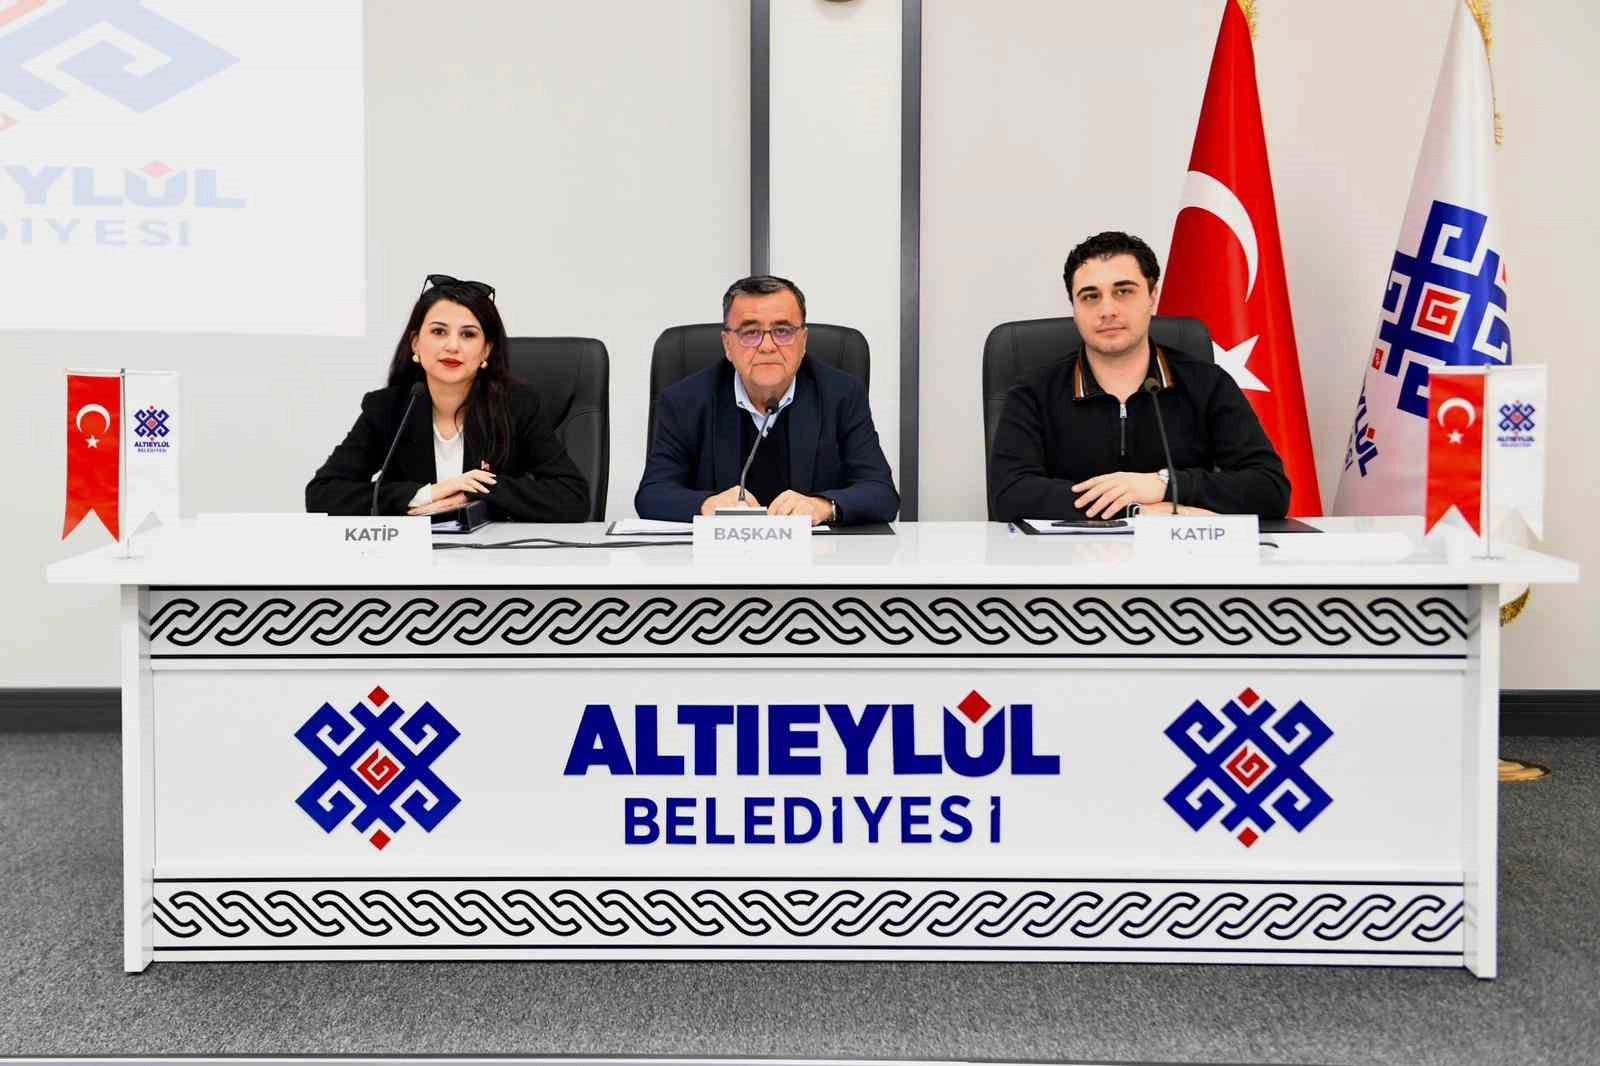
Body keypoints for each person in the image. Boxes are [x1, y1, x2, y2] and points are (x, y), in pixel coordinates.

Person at [988, 232, 1290, 521]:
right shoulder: (1033, 392)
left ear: (1152, 297)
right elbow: (1010, 494)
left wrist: (1166, 485)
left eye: (1123, 291)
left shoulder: (1208, 384)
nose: (1107, 310)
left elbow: (1269, 488)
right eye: (1090, 296)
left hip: (1181, 555)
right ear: (1075, 308)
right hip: (1069, 556)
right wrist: (1136, 512)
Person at [306, 274, 590, 522]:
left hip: (491, 557)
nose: (452, 346)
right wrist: (424, 494)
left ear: (486, 351)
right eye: (439, 331)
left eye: (468, 334)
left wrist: (477, 489)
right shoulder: (388, 408)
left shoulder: (516, 406)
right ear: (416, 343)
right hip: (410, 556)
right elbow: (323, 494)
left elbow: (573, 498)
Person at [634, 274, 899, 525]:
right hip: (719, 555)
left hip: (816, 553)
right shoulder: (685, 401)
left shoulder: (841, 395)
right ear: (727, 344)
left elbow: (881, 493)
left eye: (783, 331)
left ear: (803, 341)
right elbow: (652, 494)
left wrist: (823, 506)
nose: (768, 346)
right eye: (750, 332)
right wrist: (706, 505)